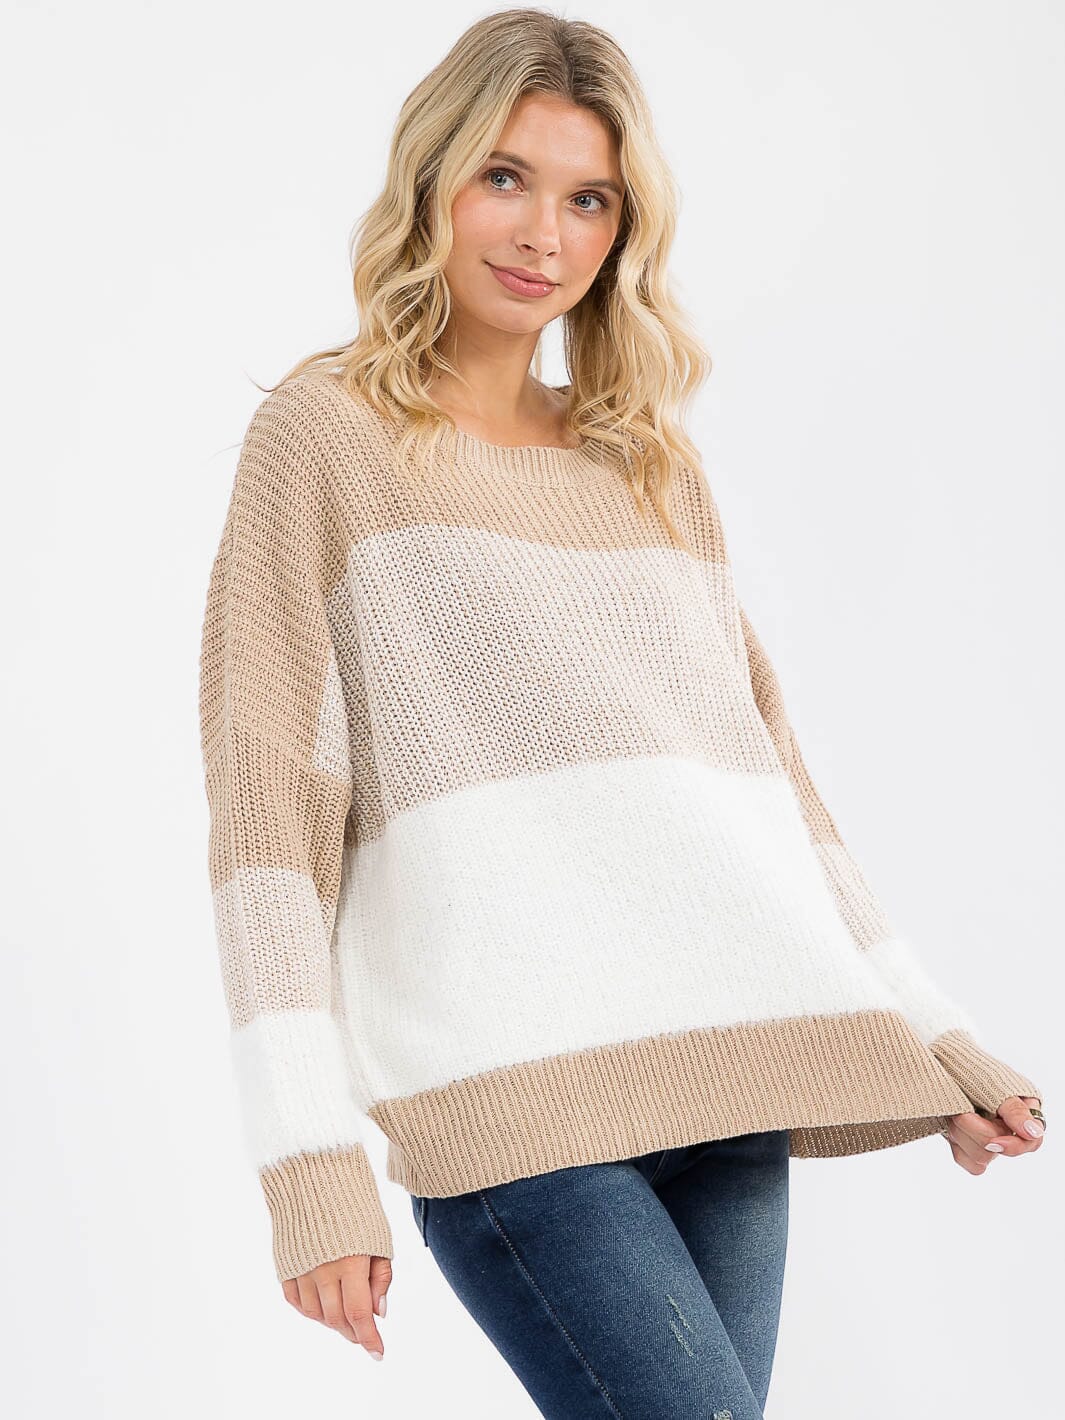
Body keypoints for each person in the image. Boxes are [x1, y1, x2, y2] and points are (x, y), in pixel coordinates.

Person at [196, 10, 1046, 1416]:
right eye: (505, 178)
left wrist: (931, 1030)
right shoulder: (326, 435)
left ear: (622, 230)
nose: (544, 233)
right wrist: (306, 1159)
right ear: (431, 181)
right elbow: (267, 809)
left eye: (588, 199)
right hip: (518, 1104)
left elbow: (766, 783)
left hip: (732, 1071)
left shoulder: (643, 461)